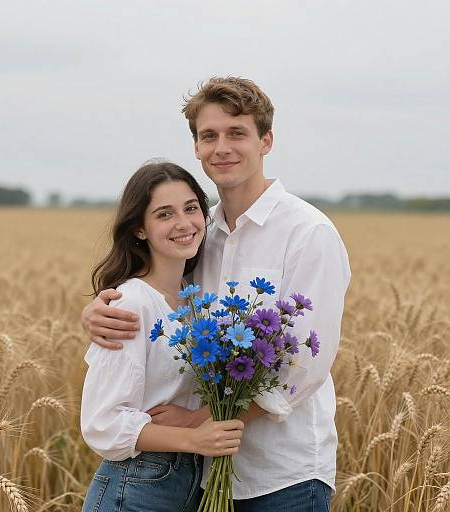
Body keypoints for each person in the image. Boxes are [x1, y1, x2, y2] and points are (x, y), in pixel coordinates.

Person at [82, 77, 351, 511]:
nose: (222, 147)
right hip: (202, 481)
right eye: (209, 135)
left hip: (282, 476)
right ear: (196, 147)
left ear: (266, 140)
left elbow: (303, 364)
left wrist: (199, 422)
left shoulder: (307, 233)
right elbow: (156, 300)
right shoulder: (197, 231)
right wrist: (98, 310)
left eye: (237, 133)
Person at [80, 161, 244, 512]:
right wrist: (194, 437)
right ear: (140, 229)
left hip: (190, 483)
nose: (184, 224)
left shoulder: (195, 301)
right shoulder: (131, 303)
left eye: (191, 208)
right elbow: (102, 422)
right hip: (136, 485)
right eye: (164, 214)